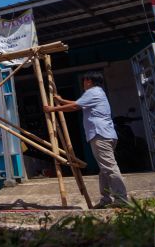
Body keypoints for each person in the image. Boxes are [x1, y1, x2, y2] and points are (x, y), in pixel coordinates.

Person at [43, 71, 128, 208]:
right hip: (106, 134)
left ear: (88, 81)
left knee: (109, 168)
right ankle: (106, 199)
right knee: (104, 169)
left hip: (100, 134)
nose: (83, 84)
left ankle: (122, 199)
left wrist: (52, 109)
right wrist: (61, 101)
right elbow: (78, 103)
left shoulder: (93, 92)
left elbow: (75, 107)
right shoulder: (98, 92)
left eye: (84, 81)